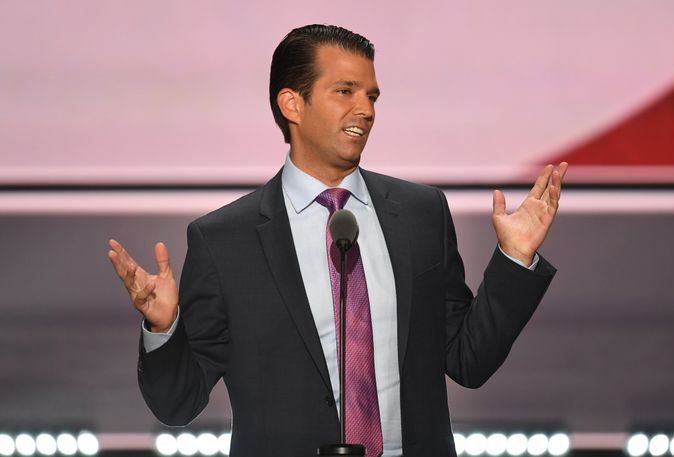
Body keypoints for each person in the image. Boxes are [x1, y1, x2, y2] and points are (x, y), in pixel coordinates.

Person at [108, 24, 568, 457]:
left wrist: (515, 257)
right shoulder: (225, 241)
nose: (365, 110)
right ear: (292, 104)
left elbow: (468, 359)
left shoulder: (420, 214)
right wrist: (164, 329)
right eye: (344, 92)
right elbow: (177, 404)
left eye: (371, 96)